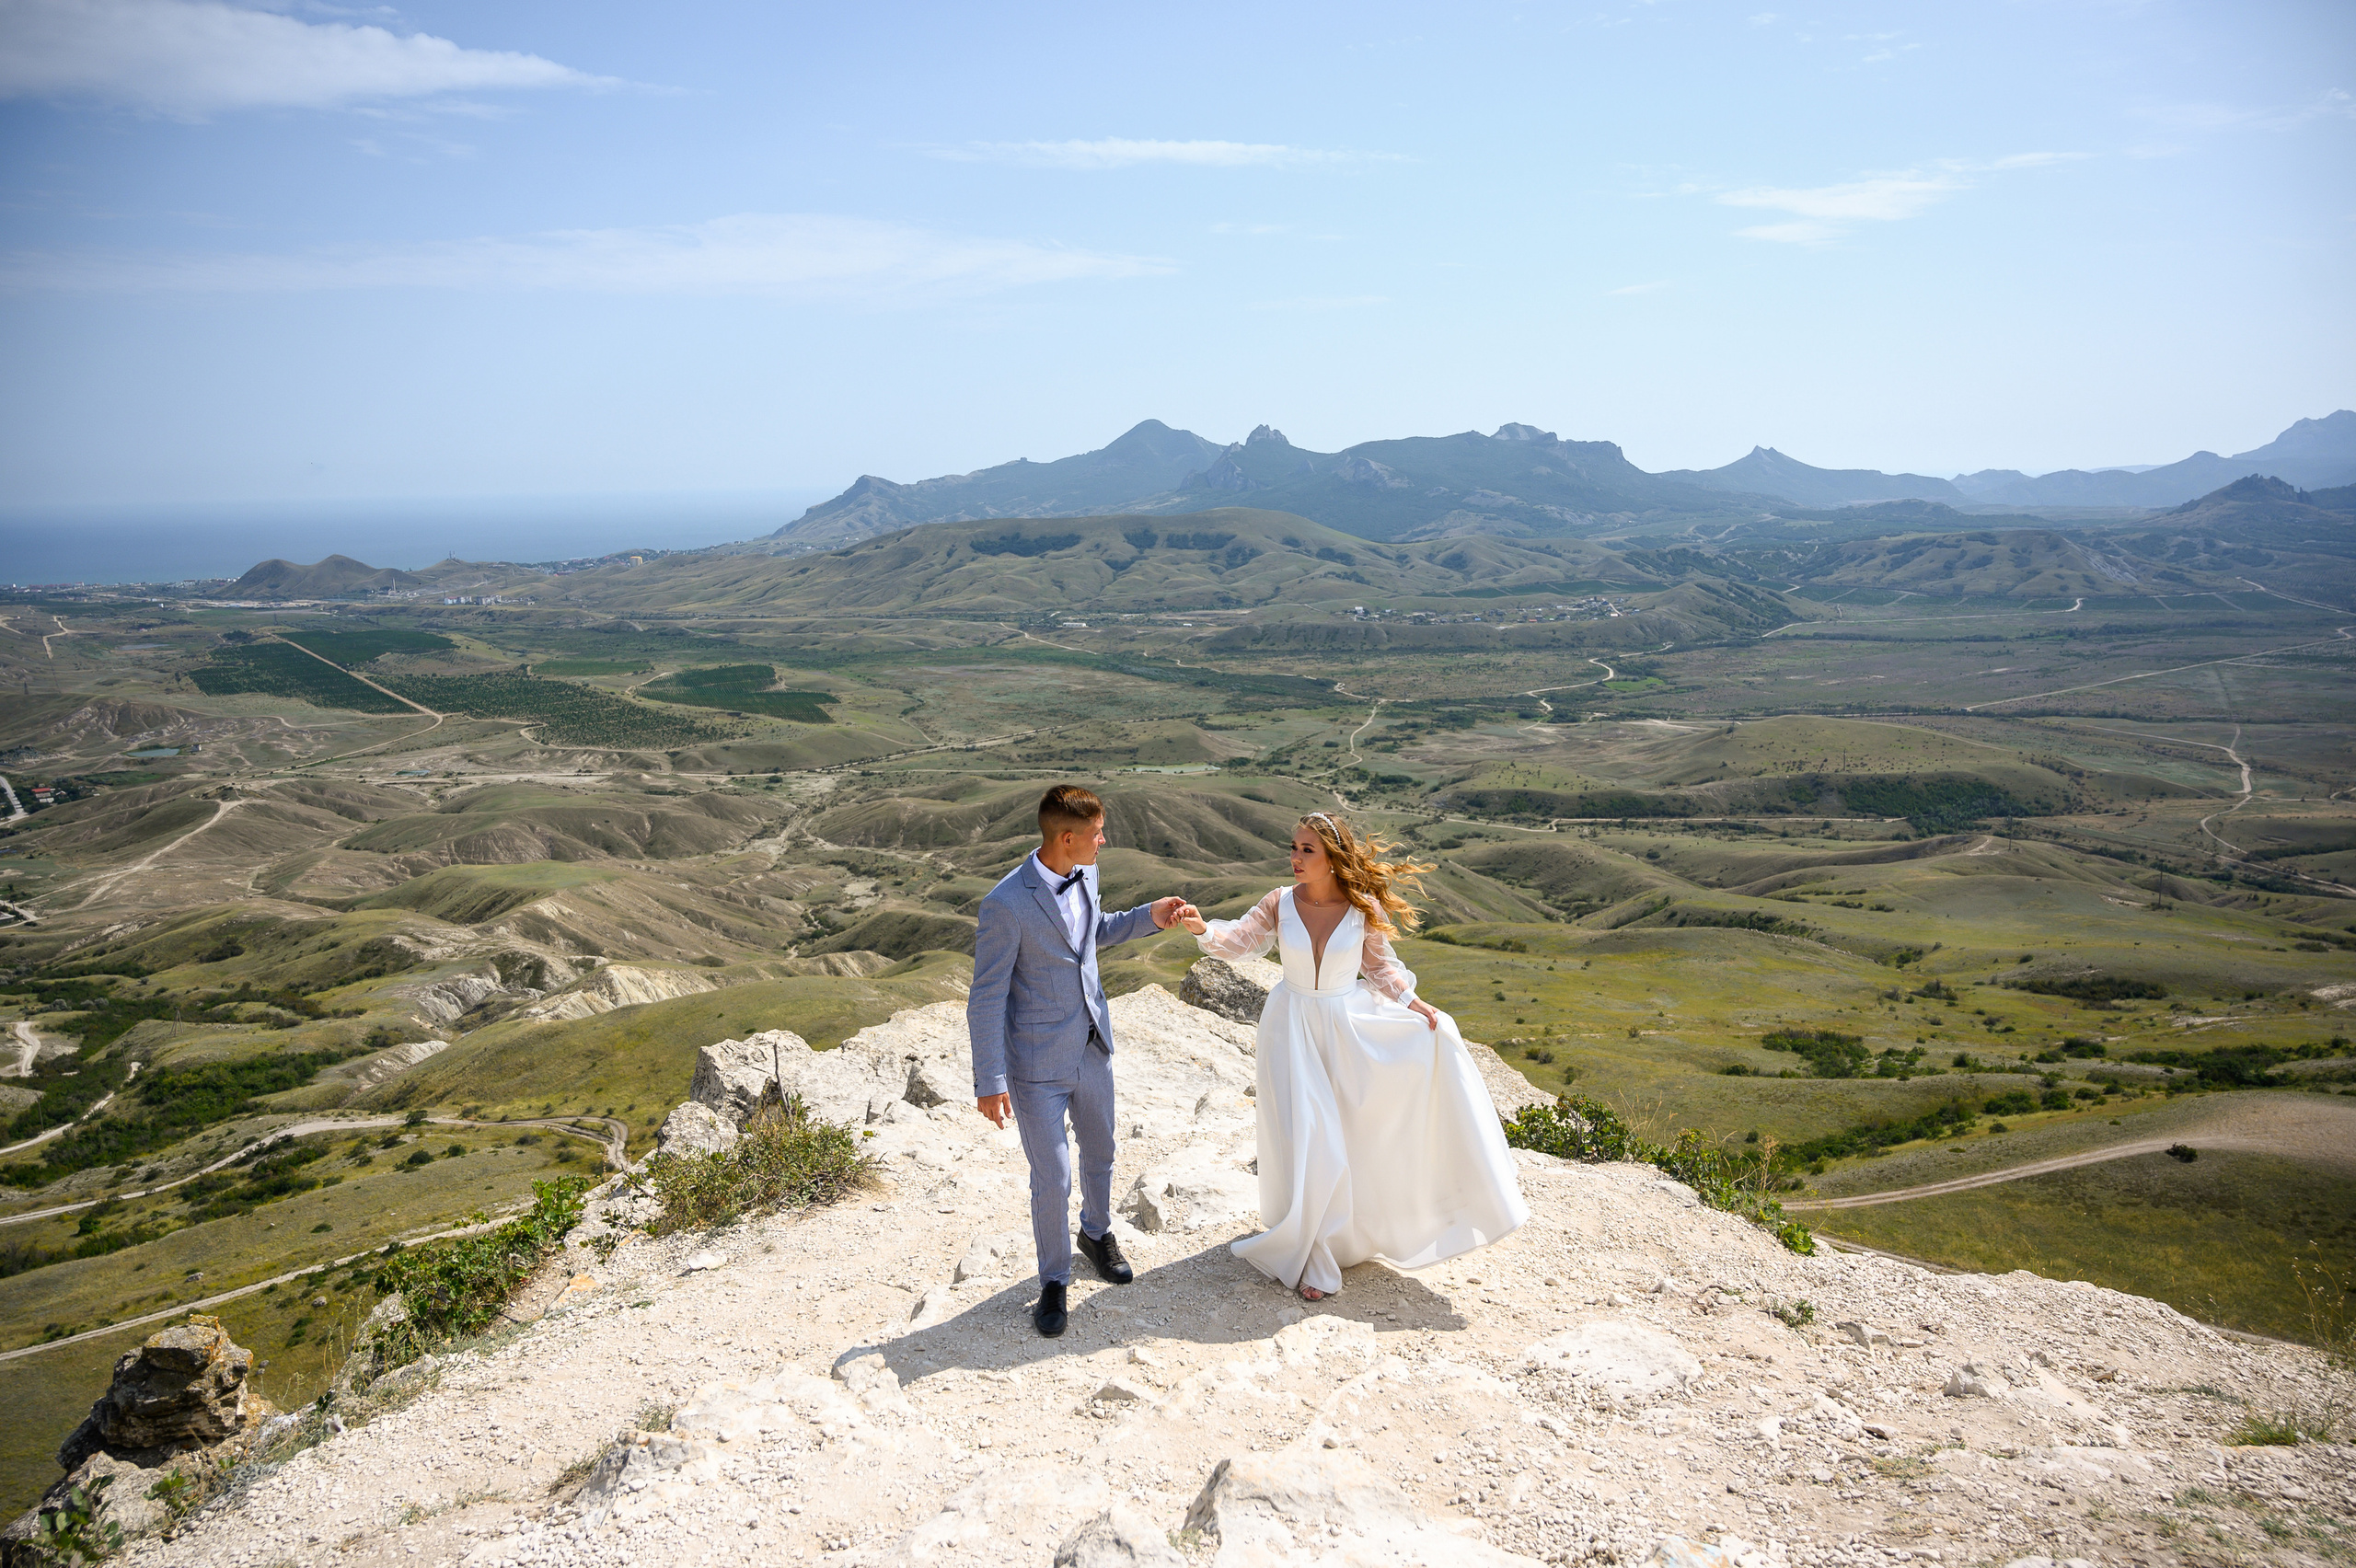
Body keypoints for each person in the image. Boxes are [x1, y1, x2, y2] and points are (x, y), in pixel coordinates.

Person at [1180, 811, 1528, 1300]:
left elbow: (1381, 969)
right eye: (1294, 847)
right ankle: (1312, 1252)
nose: (1296, 858)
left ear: (1332, 858)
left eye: (1308, 850)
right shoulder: (1278, 903)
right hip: (1290, 1028)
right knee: (1305, 1136)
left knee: (1341, 1136)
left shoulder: (1361, 908)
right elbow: (1240, 943)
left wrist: (1415, 1004)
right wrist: (1201, 928)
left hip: (1343, 1030)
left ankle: (1340, 1235)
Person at [968, 784, 1193, 1338]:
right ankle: (1053, 1280)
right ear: (1067, 839)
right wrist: (989, 1079)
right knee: (1054, 1176)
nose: (1105, 839)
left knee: (1101, 1152)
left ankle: (1096, 1234)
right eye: (1097, 833)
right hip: (1036, 1062)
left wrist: (1151, 916)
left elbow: (1095, 935)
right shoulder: (1005, 903)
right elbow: (987, 997)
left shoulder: (1086, 874)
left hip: (1093, 1046)